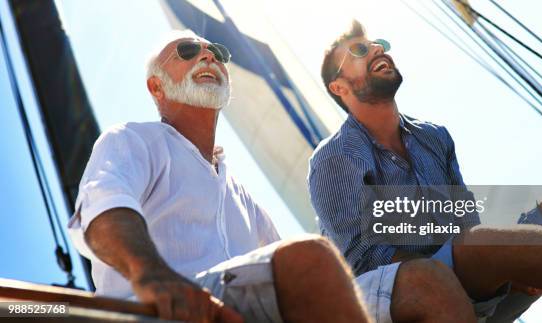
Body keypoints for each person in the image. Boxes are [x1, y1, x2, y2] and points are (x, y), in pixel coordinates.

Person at [308, 20, 542, 323]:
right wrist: (486, 262)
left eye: (380, 44)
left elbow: (465, 221)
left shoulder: (434, 137)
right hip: (404, 303)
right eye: (360, 49)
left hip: (474, 287)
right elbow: (363, 261)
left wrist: (511, 263)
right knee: (475, 246)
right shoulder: (335, 157)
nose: (377, 48)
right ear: (339, 87)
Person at [67, 29, 372, 323]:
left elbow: (285, 269)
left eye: (217, 52)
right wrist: (151, 274)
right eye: (187, 50)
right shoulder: (132, 140)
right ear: (156, 87)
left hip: (235, 311)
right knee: (311, 259)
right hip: (149, 313)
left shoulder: (244, 199)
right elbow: (101, 208)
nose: (208, 56)